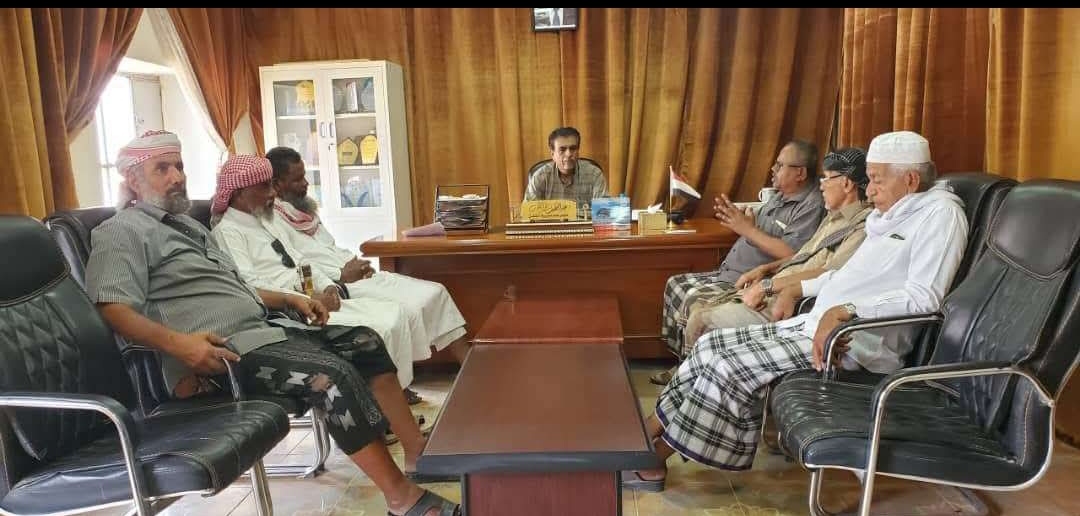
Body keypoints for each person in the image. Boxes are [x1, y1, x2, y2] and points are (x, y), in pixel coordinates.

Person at [85, 130, 460, 516]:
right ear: (132, 179)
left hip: (264, 329)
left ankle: (416, 453)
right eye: (162, 169)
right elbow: (112, 308)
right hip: (220, 354)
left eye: (179, 166)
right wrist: (180, 345)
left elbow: (236, 287)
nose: (177, 176)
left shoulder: (188, 227)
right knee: (329, 378)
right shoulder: (120, 231)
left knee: (365, 342)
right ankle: (402, 499)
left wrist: (289, 299)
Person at [624, 130, 968, 491]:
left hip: (854, 343)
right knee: (712, 346)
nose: (869, 190)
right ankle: (646, 432)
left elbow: (925, 298)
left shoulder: (941, 215)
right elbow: (842, 275)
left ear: (910, 179)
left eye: (877, 180)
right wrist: (795, 288)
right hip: (818, 324)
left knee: (727, 364)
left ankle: (654, 459)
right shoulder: (890, 216)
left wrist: (846, 310)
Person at [210, 155, 433, 396]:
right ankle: (378, 400)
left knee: (394, 313)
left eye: (271, 185)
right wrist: (307, 299)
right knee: (378, 327)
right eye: (264, 187)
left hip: (313, 299)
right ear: (239, 193)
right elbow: (249, 288)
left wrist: (328, 288)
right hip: (291, 312)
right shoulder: (228, 232)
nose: (272, 193)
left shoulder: (266, 220)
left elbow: (300, 261)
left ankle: (393, 394)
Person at [649, 147, 873, 385]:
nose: (821, 186)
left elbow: (830, 273)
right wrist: (765, 270)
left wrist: (769, 285)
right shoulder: (833, 217)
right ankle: (689, 377)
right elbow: (802, 257)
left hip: (792, 304)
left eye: (826, 179)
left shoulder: (862, 227)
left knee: (701, 319)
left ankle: (689, 384)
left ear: (846, 184)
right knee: (700, 307)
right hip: (773, 287)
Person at [267, 146, 469, 372]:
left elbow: (330, 248)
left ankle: (470, 369)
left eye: (304, 176)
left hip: (357, 277)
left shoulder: (304, 212)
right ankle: (401, 382)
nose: (306, 183)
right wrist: (341, 275)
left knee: (436, 291)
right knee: (406, 310)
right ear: (276, 184)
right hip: (341, 286)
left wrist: (358, 266)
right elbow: (300, 265)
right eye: (297, 180)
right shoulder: (273, 220)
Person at [660, 139, 825, 365]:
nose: (773, 169)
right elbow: (760, 234)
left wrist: (747, 229)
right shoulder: (780, 196)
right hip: (730, 271)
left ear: (800, 173)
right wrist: (747, 225)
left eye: (780, 165)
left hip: (749, 280)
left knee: (693, 300)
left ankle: (690, 366)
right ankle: (679, 360)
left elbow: (793, 253)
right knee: (675, 284)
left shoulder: (811, 205)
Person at [524, 127, 608, 211]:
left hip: (584, 220)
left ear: (578, 151)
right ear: (553, 154)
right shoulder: (540, 176)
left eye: (573, 148)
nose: (568, 154)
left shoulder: (594, 174)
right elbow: (528, 212)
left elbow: (604, 213)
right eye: (562, 149)